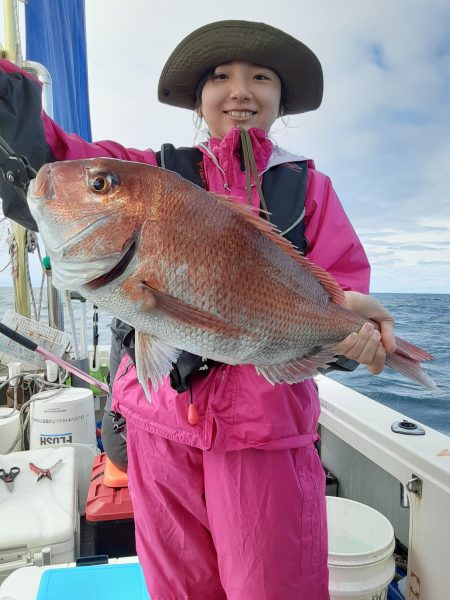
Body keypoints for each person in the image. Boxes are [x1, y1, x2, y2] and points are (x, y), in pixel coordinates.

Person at [0, 20, 395, 600]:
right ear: (197, 99)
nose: (240, 90)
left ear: (282, 100)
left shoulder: (312, 190)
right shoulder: (155, 173)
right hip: (158, 428)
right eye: (221, 77)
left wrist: (351, 338)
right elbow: (54, 157)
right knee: (178, 589)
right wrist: (8, 89)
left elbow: (338, 289)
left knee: (271, 586)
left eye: (260, 78)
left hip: (266, 434)